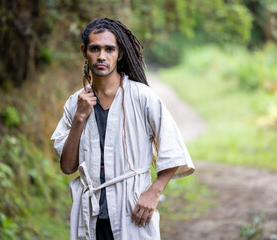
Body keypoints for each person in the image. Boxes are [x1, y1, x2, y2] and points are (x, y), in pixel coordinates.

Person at [51, 18, 195, 240]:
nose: (101, 56)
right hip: (90, 216)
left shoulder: (142, 97)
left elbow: (173, 148)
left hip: (133, 211)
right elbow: (68, 166)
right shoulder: (75, 103)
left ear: (119, 54)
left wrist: (154, 193)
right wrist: (80, 117)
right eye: (95, 49)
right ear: (84, 51)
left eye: (109, 49)